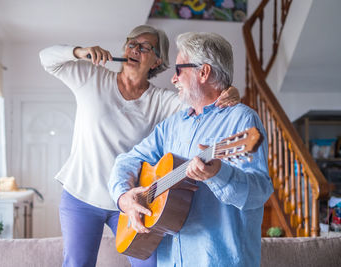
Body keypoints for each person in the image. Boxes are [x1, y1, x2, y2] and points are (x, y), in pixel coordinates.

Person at [39, 25, 240, 267]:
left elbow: (203, 100)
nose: (134, 49)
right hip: (81, 196)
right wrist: (79, 51)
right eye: (131, 43)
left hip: (132, 198)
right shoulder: (91, 77)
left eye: (145, 47)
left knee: (150, 265)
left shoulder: (161, 100)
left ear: (157, 61)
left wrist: (229, 91)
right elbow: (46, 58)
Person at [109, 32, 274, 267]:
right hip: (171, 261)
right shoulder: (172, 125)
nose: (173, 80)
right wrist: (123, 197)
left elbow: (259, 191)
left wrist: (219, 174)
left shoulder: (242, 119)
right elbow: (127, 160)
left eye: (178, 71)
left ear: (203, 72)